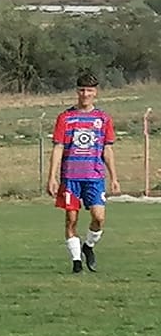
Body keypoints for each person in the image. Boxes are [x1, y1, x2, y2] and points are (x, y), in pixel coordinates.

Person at [49, 72, 118, 272]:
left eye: (89, 90)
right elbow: (58, 148)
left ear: (95, 92)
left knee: (99, 217)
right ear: (77, 91)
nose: (85, 94)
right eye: (82, 90)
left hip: (94, 176)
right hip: (70, 177)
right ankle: (76, 261)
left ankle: (88, 246)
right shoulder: (66, 117)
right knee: (71, 219)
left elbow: (107, 149)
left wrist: (114, 176)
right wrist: (52, 177)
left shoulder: (103, 119)